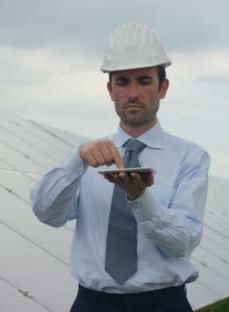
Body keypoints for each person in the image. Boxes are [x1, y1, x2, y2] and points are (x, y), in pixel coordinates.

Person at [30, 23, 210, 312]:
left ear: (163, 88)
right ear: (110, 90)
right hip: (93, 303)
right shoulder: (86, 157)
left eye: (143, 80)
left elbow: (183, 242)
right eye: (123, 82)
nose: (133, 93)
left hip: (163, 303)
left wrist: (140, 199)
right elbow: (45, 213)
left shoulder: (190, 157)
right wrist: (76, 160)